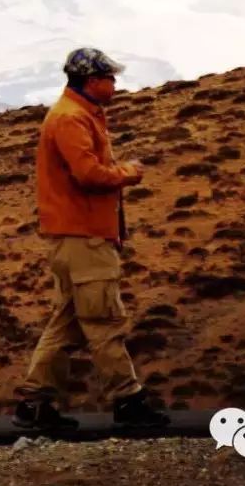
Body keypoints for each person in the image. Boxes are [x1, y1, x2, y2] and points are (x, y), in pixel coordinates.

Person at [12, 47, 171, 431]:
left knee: (66, 323)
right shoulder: (71, 119)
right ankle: (128, 400)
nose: (115, 85)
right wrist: (127, 173)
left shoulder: (77, 114)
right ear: (91, 81)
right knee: (104, 322)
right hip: (84, 238)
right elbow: (88, 174)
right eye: (110, 78)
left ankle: (36, 404)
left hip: (73, 237)